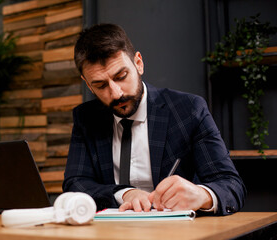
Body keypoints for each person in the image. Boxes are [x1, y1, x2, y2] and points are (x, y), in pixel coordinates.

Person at [62, 23, 246, 216]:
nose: (116, 94)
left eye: (121, 76)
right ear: (88, 85)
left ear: (138, 63)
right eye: (100, 85)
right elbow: (75, 184)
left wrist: (202, 195)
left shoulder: (188, 109)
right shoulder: (86, 118)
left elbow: (231, 185)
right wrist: (125, 194)